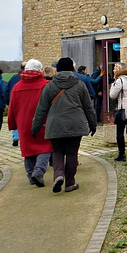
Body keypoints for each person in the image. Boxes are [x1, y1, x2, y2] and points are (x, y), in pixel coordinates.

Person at [32, 57, 97, 193]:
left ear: (58, 69)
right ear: (72, 69)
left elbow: (41, 109)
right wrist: (93, 124)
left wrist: (35, 127)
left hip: (55, 125)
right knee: (72, 153)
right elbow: (88, 108)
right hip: (75, 125)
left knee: (57, 152)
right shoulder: (80, 85)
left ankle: (58, 175)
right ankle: (70, 183)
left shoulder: (49, 86)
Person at [7, 59, 52, 186]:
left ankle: (31, 175)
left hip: (23, 124)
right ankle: (38, 171)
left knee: (28, 149)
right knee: (46, 147)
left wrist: (12, 125)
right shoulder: (45, 85)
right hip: (43, 121)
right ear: (40, 70)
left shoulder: (17, 87)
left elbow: (12, 108)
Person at [6, 61, 27, 146]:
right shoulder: (28, 78)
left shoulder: (14, 77)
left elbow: (6, 90)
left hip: (14, 101)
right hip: (25, 101)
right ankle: (24, 138)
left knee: (16, 119)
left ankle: (15, 137)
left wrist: (8, 102)